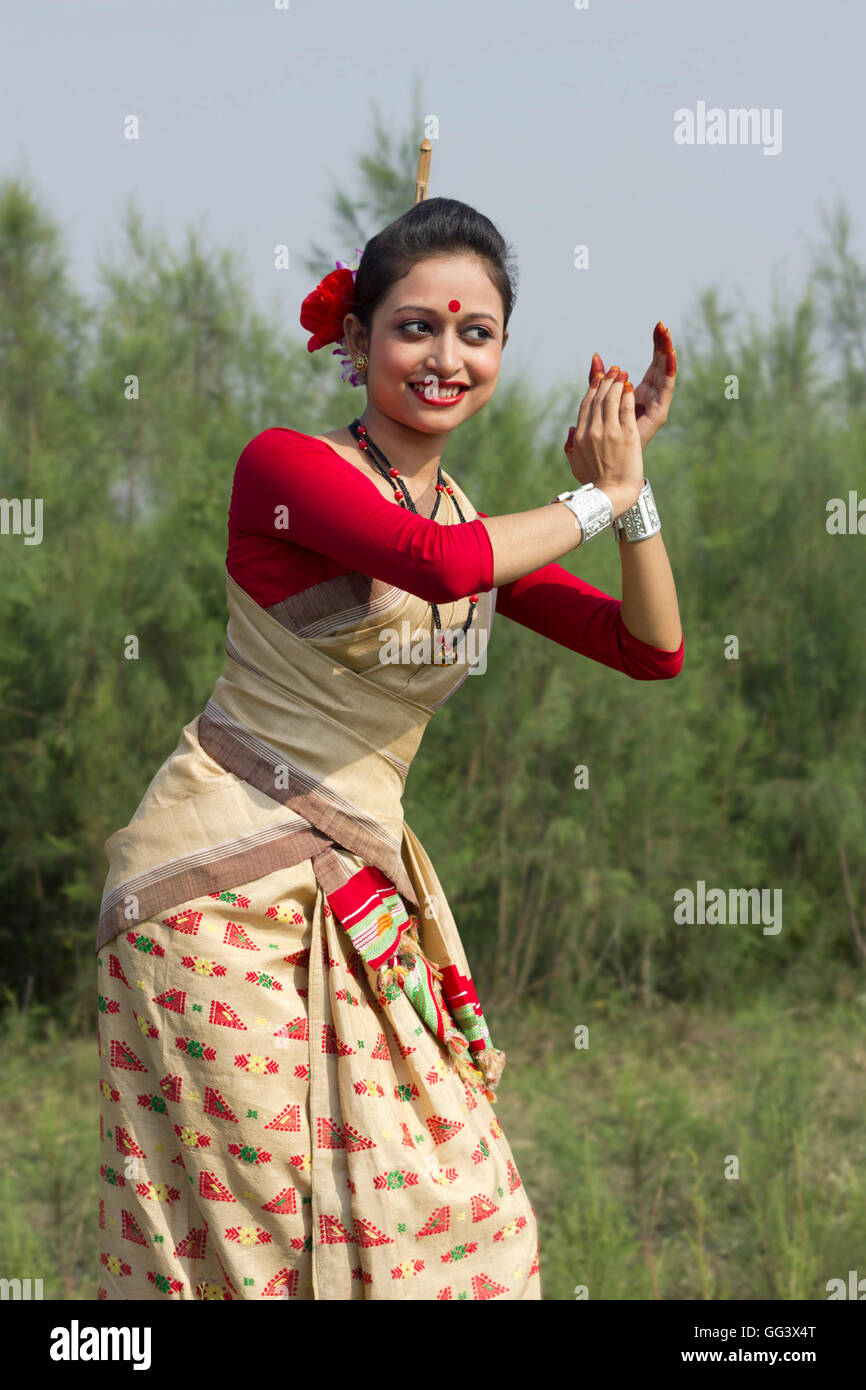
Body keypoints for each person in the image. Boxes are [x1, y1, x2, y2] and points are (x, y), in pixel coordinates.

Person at [95, 196, 683, 1302]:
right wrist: (588, 499)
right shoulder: (284, 469)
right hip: (214, 897)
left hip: (352, 892)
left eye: (476, 333)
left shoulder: (469, 519)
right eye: (414, 327)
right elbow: (434, 564)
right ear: (354, 339)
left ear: (502, 350)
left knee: (461, 1215)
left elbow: (648, 649)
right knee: (270, 1248)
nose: (444, 356)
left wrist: (629, 497)